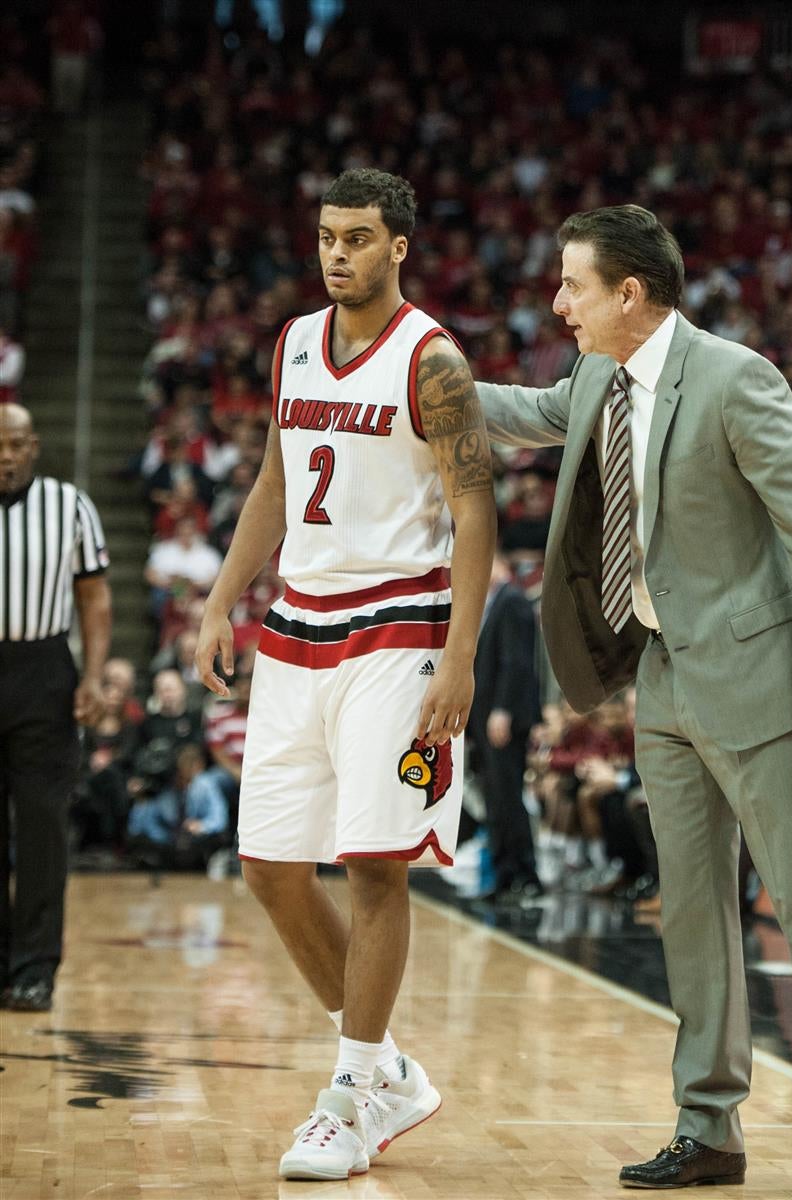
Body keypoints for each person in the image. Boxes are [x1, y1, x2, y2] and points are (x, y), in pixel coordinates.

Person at [476, 205, 792, 1200]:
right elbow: (532, 410)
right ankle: (709, 1127)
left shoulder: (736, 377)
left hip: (757, 679)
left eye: (572, 284)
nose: (557, 302)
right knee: (692, 914)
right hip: (660, 677)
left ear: (629, 292)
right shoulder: (593, 379)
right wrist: (425, 376)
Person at [195, 168, 496, 1182]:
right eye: (327, 236)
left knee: (375, 864)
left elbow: (475, 513)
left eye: (359, 238)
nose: (337, 254)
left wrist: (459, 653)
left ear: (399, 247)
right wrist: (220, 597)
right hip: (295, 629)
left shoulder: (435, 361)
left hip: (398, 632)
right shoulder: (290, 343)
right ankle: (388, 1070)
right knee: (271, 869)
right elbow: (275, 485)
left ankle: (356, 1083)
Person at [0, 403, 111, 1011]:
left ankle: (35, 968)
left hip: (43, 671)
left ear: (34, 446)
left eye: (15, 445)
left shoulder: (69, 507)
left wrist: (92, 677)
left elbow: (94, 600)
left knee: (42, 825)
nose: (6, 456)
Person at [467, 548, 542, 900]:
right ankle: (503, 870)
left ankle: (524, 873)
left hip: (504, 719)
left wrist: (503, 710)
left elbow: (517, 663)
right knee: (496, 798)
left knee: (509, 796)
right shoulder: (493, 603)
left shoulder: (511, 601)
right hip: (486, 718)